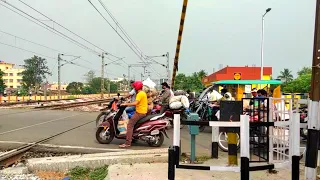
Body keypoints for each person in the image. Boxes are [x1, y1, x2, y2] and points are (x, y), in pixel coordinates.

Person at [119, 81, 148, 148]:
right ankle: (133, 137)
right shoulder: (142, 93)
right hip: (140, 111)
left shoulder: (140, 94)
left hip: (140, 112)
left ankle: (128, 143)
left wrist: (126, 104)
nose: (134, 88)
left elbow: (135, 103)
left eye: (134, 87)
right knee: (130, 119)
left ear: (136, 87)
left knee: (129, 125)